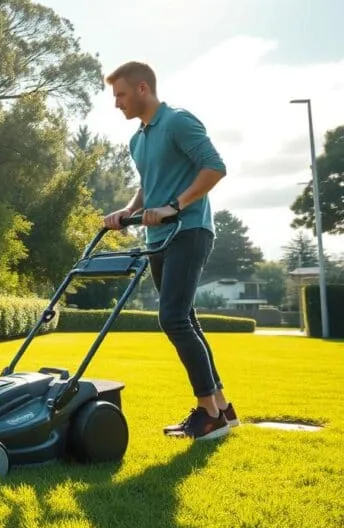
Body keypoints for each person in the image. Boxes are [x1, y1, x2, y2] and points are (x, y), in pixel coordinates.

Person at [102, 61, 237, 440]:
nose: (117, 104)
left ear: (143, 88)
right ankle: (222, 408)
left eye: (121, 95)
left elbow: (214, 166)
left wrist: (176, 206)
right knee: (185, 319)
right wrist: (130, 210)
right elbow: (148, 184)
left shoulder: (178, 121)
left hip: (188, 230)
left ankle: (208, 413)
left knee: (173, 319)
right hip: (156, 239)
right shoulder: (138, 139)